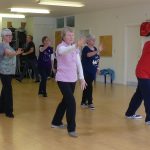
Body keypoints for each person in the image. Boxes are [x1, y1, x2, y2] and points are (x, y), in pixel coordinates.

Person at [51, 27, 86, 137]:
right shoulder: (60, 47)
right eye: (69, 35)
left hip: (72, 79)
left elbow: (78, 63)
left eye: (73, 35)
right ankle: (71, 129)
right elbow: (65, 51)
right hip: (62, 79)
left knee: (65, 101)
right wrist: (76, 45)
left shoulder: (75, 48)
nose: (71, 37)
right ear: (63, 36)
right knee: (71, 102)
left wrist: (81, 78)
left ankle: (56, 122)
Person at [125, 40, 150, 125]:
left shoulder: (147, 43)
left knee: (139, 94)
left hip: (142, 71)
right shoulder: (148, 44)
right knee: (148, 95)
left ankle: (130, 113)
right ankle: (149, 119)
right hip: (144, 73)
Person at [0, 28, 22, 118]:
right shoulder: (3, 45)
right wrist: (16, 53)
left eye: (10, 35)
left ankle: (1, 108)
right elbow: (8, 53)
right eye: (7, 35)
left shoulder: (8, 45)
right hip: (4, 71)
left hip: (8, 72)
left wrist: (16, 52)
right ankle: (9, 111)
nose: (10, 37)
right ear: (3, 37)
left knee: (5, 89)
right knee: (8, 90)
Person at [81, 34, 103, 110]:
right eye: (92, 39)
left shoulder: (95, 48)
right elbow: (88, 55)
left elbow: (97, 58)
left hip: (93, 71)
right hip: (86, 71)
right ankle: (90, 102)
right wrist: (97, 51)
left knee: (87, 86)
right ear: (87, 41)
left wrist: (98, 67)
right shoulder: (85, 48)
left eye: (94, 40)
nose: (94, 41)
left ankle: (83, 102)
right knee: (89, 86)